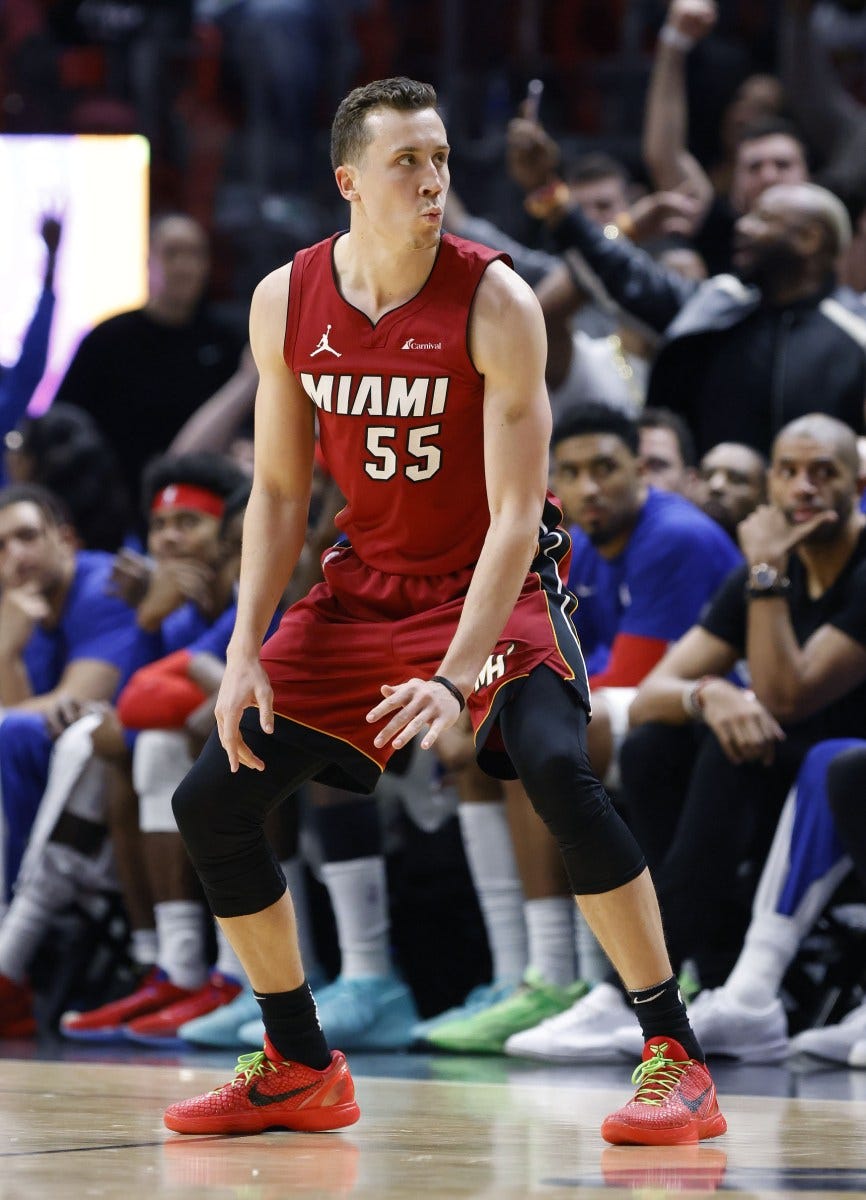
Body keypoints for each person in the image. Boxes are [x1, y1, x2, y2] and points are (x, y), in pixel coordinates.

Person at [161, 77, 725, 1146]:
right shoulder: (287, 298)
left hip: (496, 584)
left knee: (556, 767)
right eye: (405, 163)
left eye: (439, 159)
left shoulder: (495, 298)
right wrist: (242, 648)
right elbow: (279, 492)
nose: (431, 181)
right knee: (213, 801)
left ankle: (673, 1055)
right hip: (363, 583)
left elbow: (517, 511)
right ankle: (296, 1062)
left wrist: (457, 671)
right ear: (348, 183)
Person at [529, 179, 866, 457]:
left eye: (762, 219)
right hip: (709, 516)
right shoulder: (717, 306)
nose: (742, 226)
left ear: (810, 239)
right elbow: (621, 273)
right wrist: (556, 201)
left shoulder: (856, 332)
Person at [53, 213, 244, 505]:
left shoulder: (226, 342)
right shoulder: (108, 339)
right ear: (148, 260)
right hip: (116, 504)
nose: (183, 266)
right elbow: (65, 422)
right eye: (172, 253)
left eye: (194, 254)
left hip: (203, 500)